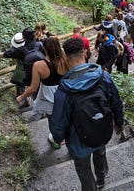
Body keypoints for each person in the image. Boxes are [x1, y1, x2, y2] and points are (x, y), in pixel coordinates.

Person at [50, 38, 124, 190]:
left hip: (78, 140)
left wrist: (58, 137)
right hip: (102, 128)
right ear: (84, 52)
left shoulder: (64, 91)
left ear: (65, 57)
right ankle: (101, 179)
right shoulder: (103, 77)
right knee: (100, 152)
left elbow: (58, 121)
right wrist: (119, 122)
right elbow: (116, 101)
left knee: (83, 168)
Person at [16, 36, 70, 147]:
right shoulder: (66, 60)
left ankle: (56, 140)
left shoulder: (39, 65)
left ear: (44, 48)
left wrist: (21, 97)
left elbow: (33, 88)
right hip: (64, 92)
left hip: (49, 96)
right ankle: (68, 137)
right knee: (65, 115)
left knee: (52, 118)